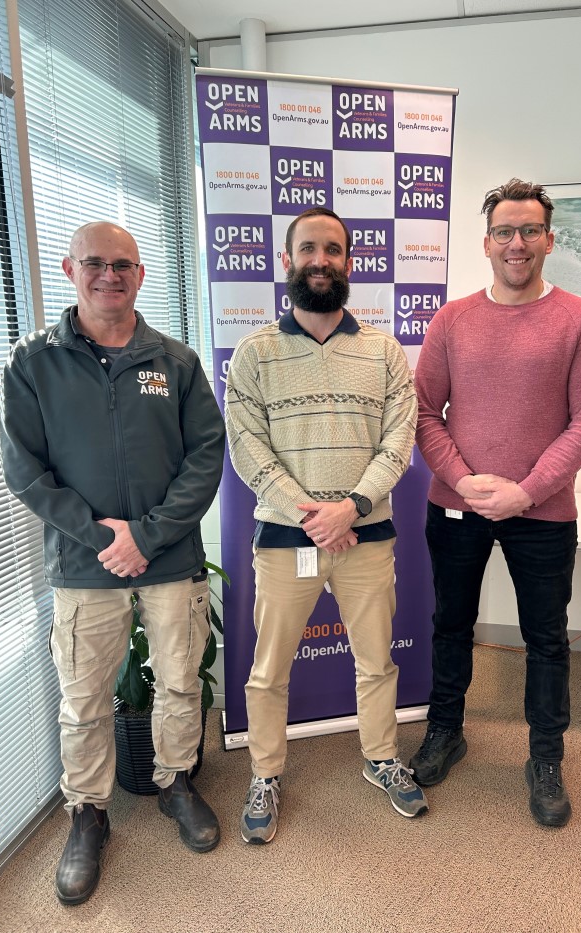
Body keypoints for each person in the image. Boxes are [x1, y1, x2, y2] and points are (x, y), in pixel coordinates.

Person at [0, 222, 226, 904]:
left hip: (169, 556)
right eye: (94, 263)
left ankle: (175, 782)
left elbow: (205, 456)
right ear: (69, 269)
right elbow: (25, 471)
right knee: (84, 699)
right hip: (83, 562)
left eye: (123, 264)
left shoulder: (176, 361)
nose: (109, 275)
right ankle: (88, 813)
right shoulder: (32, 363)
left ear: (140, 274)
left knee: (180, 680)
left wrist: (147, 536)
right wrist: (102, 536)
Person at [410, 179, 581, 827]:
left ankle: (546, 757)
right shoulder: (452, 319)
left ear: (549, 240)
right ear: (487, 242)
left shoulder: (580, 319)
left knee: (546, 639)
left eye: (529, 230)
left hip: (543, 511)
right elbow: (423, 411)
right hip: (457, 504)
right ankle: (446, 731)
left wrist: (526, 490)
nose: (516, 243)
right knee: (451, 624)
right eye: (504, 231)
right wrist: (462, 479)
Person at [224, 207, 427, 844]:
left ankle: (381, 756)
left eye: (333, 250)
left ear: (348, 262)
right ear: (287, 261)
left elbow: (400, 441)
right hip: (288, 540)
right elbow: (247, 448)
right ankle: (265, 772)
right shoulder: (254, 353)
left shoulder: (385, 351)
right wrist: (315, 516)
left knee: (377, 662)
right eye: (308, 248)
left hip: (365, 536)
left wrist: (350, 508)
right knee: (268, 670)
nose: (320, 260)